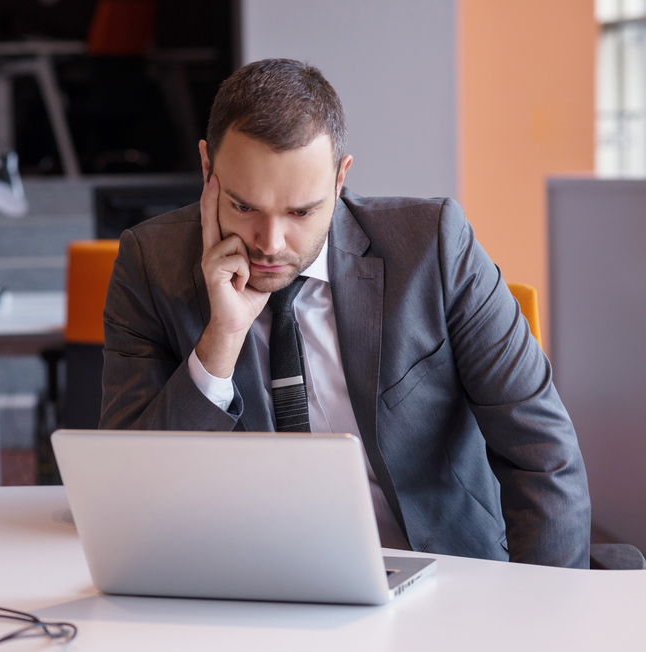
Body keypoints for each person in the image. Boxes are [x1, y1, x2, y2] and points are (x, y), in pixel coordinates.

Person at [99, 58, 591, 568]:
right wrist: (221, 341)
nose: (270, 244)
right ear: (207, 170)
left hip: (443, 581)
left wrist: (544, 614)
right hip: (248, 590)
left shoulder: (432, 247)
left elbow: (542, 455)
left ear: (340, 178)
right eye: (244, 207)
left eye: (300, 212)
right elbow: (124, 494)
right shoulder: (150, 264)